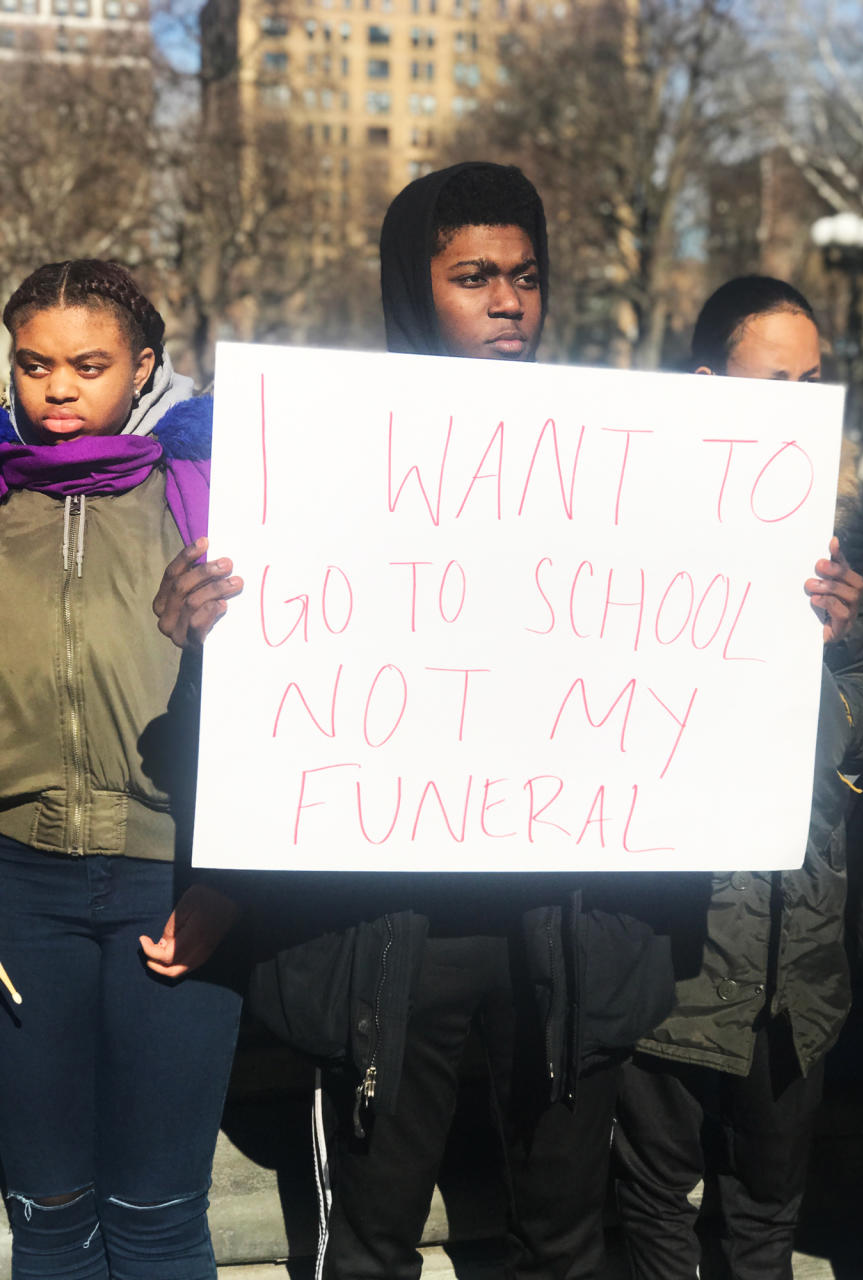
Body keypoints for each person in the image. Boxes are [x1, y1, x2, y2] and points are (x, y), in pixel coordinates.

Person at [152, 161, 676, 1280]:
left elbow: (692, 647)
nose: (508, 300)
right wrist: (206, 638)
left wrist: (797, 623)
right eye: (474, 275)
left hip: (567, 928)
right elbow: (269, 710)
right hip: (387, 935)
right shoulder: (321, 453)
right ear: (411, 283)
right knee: (374, 1244)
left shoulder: (624, 453)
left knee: (567, 1242)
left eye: (526, 275)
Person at [614, 276, 863, 1280]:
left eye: (815, 381)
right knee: (656, 1204)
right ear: (707, 387)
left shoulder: (848, 525)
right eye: (774, 381)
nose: (802, 405)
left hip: (802, 946)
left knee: (766, 1216)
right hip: (675, 935)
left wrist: (823, 697)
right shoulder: (637, 516)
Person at [0, 259, 243, 1279]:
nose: (57, 388)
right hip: (19, 891)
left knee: (155, 1213)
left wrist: (230, 885)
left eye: (88, 365)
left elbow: (291, 710)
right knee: (47, 1214)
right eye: (32, 364)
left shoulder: (206, 494)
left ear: (144, 365)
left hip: (174, 890)